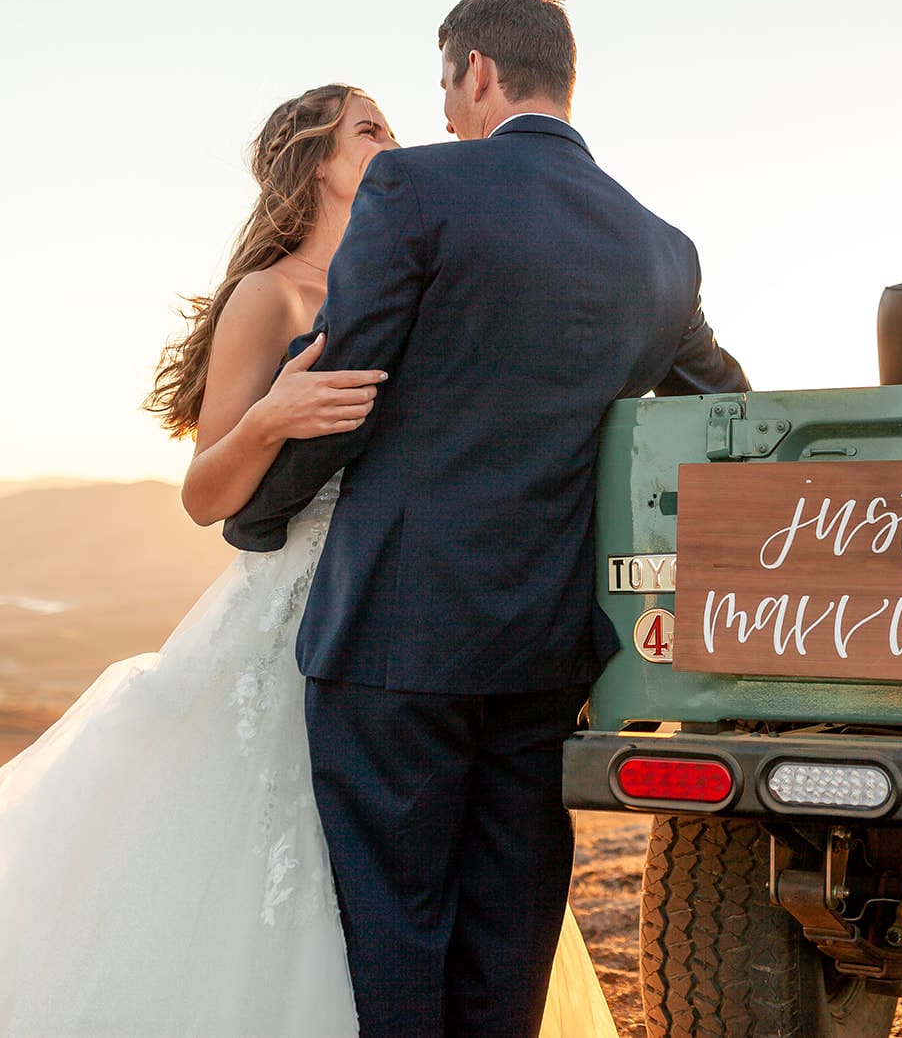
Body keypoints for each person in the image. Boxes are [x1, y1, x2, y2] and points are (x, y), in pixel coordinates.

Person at [0, 83, 618, 1038]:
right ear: (317, 165)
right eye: (369, 129)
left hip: (414, 615)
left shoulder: (415, 280)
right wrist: (273, 416)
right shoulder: (271, 293)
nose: (395, 142)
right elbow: (205, 492)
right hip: (297, 608)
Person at [223, 0, 750, 1037]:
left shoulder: (418, 189)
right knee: (509, 929)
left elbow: (348, 382)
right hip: (547, 644)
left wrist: (259, 514)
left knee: (398, 923)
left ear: (475, 69)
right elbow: (722, 411)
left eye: (446, 88)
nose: (447, 116)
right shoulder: (662, 246)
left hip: (395, 633)